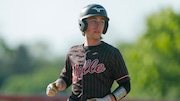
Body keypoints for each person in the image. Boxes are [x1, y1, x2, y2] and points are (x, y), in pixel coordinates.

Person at [46, 4, 131, 101]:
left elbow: (125, 85)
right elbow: (66, 79)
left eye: (102, 21)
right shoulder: (73, 52)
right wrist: (56, 85)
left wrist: (107, 99)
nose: (98, 25)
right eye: (93, 21)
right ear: (83, 24)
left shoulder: (112, 53)